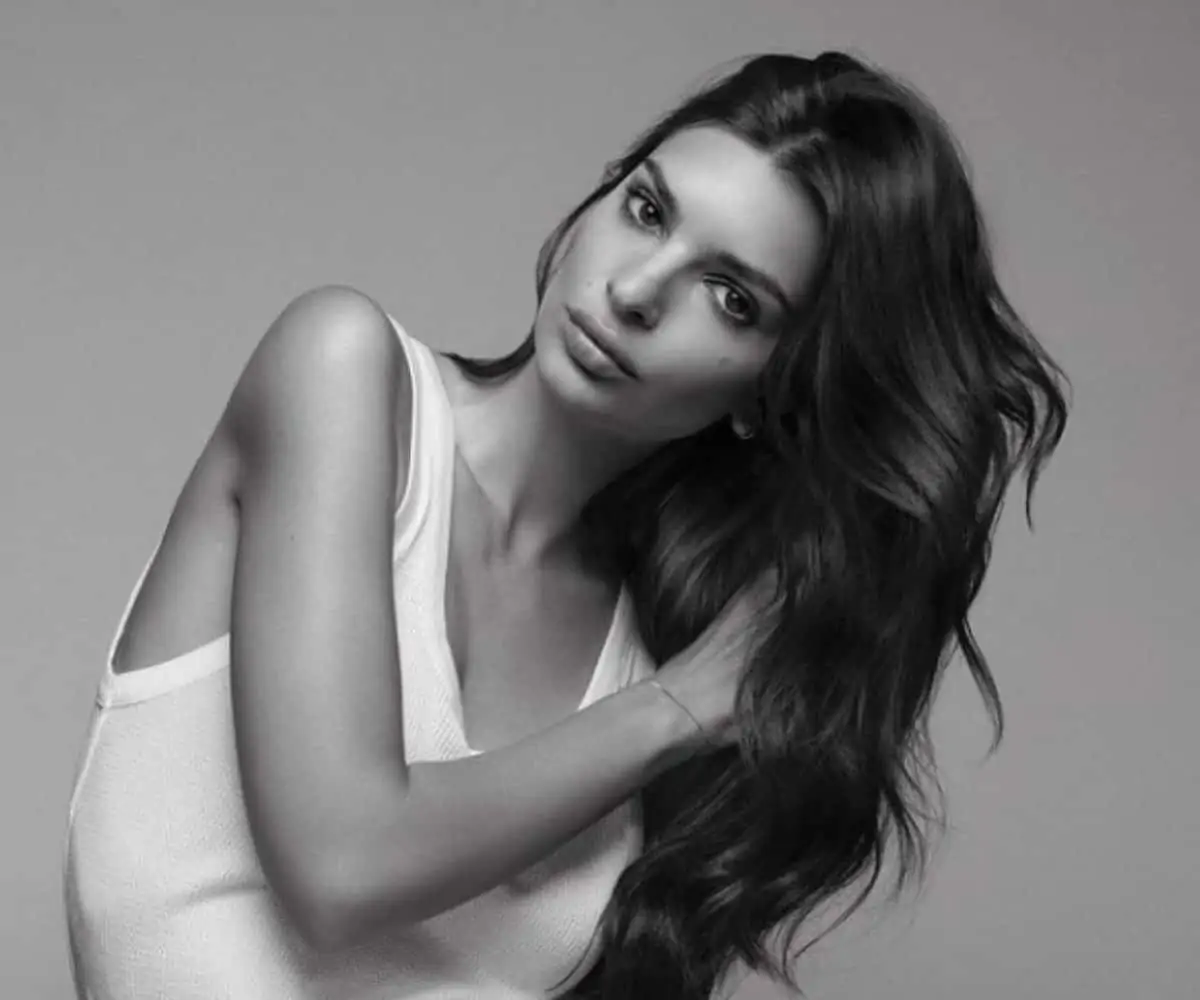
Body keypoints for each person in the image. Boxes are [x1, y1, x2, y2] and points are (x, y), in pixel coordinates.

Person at [62, 50, 1069, 1000]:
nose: (635, 291)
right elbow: (341, 865)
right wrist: (680, 708)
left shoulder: (666, 639)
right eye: (646, 209)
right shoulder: (341, 373)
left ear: (774, 391)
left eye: (730, 297)